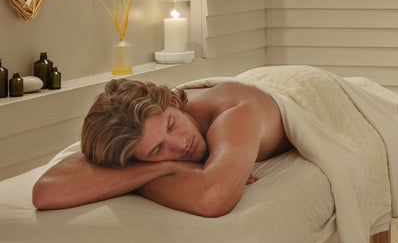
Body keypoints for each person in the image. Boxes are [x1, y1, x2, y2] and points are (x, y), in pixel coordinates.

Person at [32, 78, 293, 217]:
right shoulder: (138, 136)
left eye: (171, 125)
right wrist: (164, 169)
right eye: (158, 150)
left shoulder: (234, 111)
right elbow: (46, 192)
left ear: (173, 103)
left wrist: (134, 177)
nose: (181, 144)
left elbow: (213, 198)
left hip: (303, 90)